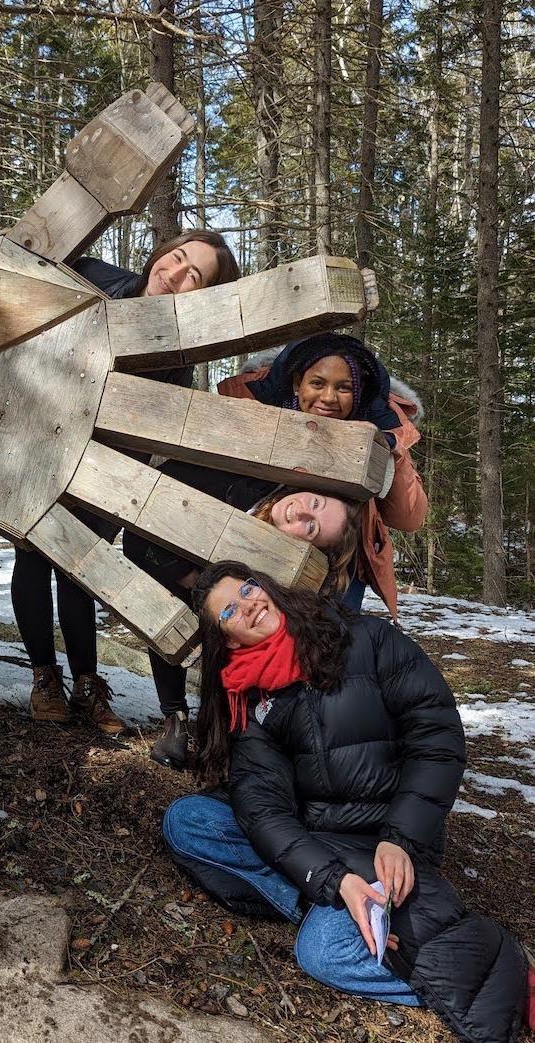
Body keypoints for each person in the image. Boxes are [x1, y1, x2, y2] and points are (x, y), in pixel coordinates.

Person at [162, 561, 530, 1043]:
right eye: (231, 609)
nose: (250, 604)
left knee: (323, 954)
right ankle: (353, 906)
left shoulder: (365, 638)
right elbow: (263, 809)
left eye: (249, 588)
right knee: (190, 821)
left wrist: (401, 837)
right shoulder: (247, 697)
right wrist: (335, 881)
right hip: (324, 846)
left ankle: (491, 967)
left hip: (391, 840)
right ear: (227, 638)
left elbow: (436, 735)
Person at [12, 231, 240, 735]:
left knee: (80, 566)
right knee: (31, 556)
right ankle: (43, 677)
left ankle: (87, 685)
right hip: (39, 444)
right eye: (176, 259)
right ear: (160, 253)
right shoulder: (95, 278)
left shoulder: (178, 362)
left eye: (193, 278)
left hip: (102, 471)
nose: (174, 275)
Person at [125, 470, 361, 769]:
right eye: (315, 503)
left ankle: (235, 731)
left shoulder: (283, 582)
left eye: (311, 527)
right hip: (174, 583)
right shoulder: (241, 481)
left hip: (233, 641)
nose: (300, 511)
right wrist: (187, 576)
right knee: (174, 611)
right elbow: (136, 537)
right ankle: (176, 717)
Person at [218, 332, 428, 616]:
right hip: (254, 551)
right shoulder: (260, 412)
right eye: (317, 383)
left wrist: (390, 448)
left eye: (343, 388)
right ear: (296, 383)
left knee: (328, 646)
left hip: (340, 573)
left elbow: (408, 517)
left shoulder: (375, 432)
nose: (328, 398)